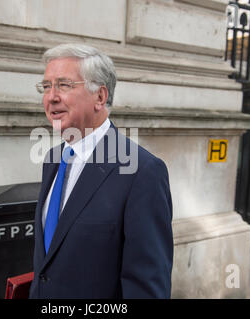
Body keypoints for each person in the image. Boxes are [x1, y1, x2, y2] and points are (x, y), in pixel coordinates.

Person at [29, 43, 173, 299]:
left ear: (100, 96)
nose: (51, 97)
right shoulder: (53, 159)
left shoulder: (142, 172)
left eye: (64, 85)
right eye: (46, 86)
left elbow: (147, 287)